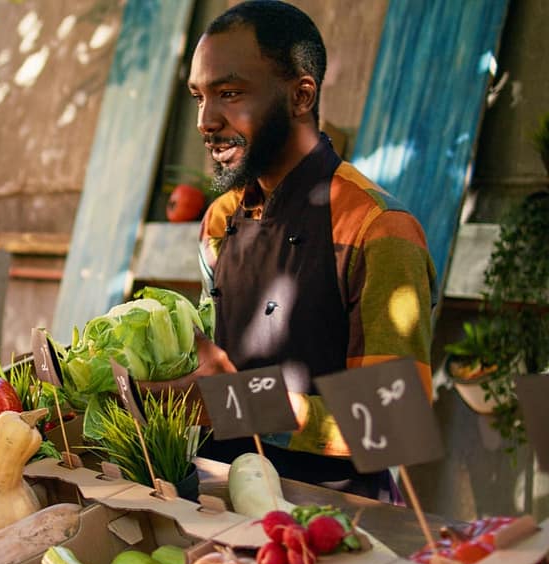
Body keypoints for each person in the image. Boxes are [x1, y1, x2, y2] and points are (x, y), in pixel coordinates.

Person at [187, 1, 437, 500]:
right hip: (217, 499)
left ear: (302, 95)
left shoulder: (380, 228)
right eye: (199, 96)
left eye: (229, 93)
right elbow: (210, 374)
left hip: (332, 518)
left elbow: (393, 421)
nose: (205, 121)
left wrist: (230, 404)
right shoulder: (220, 219)